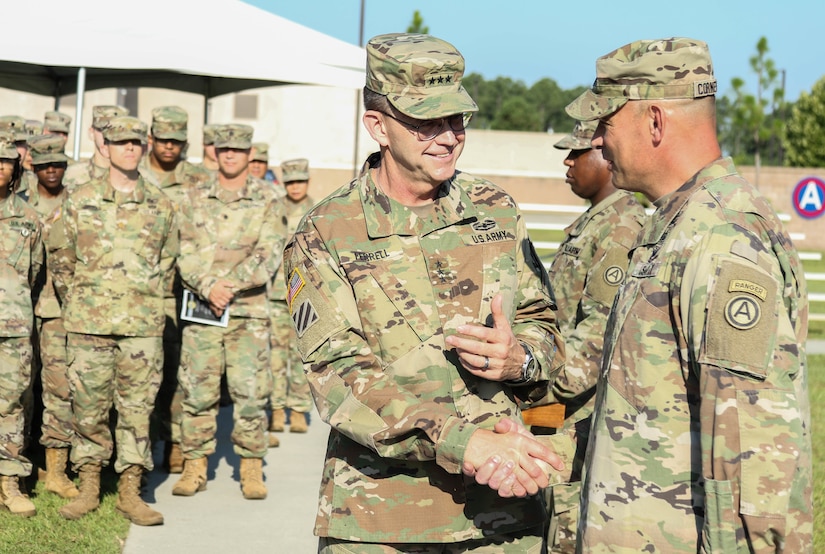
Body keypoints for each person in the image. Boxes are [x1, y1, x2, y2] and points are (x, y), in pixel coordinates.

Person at [283, 32, 566, 552]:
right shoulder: (326, 233)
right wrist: (464, 442)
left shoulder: (496, 212)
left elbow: (543, 324)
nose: (447, 136)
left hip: (501, 516)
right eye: (424, 121)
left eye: (456, 119)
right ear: (378, 127)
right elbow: (340, 376)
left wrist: (520, 359)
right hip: (381, 518)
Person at [565, 37, 812, 552]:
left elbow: (755, 462)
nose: (600, 143)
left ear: (655, 121)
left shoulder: (721, 238)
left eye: (606, 125)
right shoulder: (676, 226)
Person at [49, 116, 177, 526]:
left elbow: (168, 262)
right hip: (88, 322)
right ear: (105, 146)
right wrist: (80, 302)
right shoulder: (80, 198)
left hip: (141, 327)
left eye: (136, 142)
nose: (129, 148)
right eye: (120, 141)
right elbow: (61, 257)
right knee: (88, 409)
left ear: (144, 146)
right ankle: (88, 487)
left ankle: (129, 492)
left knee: (137, 410)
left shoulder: (160, 204)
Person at [529, 120, 645, 552]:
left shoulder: (620, 229)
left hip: (575, 413)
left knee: (564, 525)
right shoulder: (596, 223)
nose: (567, 161)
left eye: (577, 152)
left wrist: (531, 390)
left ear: (604, 155)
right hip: (556, 411)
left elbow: (595, 341)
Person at [172, 124, 286, 500]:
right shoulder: (193, 197)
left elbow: (269, 252)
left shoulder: (268, 198)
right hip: (203, 310)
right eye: (224, 149)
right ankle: (194, 467)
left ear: (249, 152)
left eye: (238, 150)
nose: (231, 155)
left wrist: (229, 286)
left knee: (251, 393)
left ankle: (251, 468)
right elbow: (183, 250)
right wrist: (208, 286)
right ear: (215, 152)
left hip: (247, 312)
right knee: (197, 391)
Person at [139, 105, 211, 474]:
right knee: (145, 371)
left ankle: (176, 444)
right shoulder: (134, 174)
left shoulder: (199, 179)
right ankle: (142, 445)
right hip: (145, 287)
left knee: (184, 371)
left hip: (189, 289)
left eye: (177, 141)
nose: (170, 147)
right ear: (151, 138)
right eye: (164, 140)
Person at [25, 134, 78, 500]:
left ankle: (57, 470)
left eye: (57, 163)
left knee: (60, 389)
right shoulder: (19, 203)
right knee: (21, 389)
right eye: (45, 164)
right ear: (33, 166)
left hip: (60, 311)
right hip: (20, 311)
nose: (52, 170)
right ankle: (21, 464)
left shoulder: (78, 204)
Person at [0, 133, 44, 517]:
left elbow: (37, 272)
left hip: (12, 327)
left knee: (11, 404)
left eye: (5, 161)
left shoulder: (28, 218)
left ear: (15, 170)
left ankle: (10, 481)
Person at [267, 158, 313, 443]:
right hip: (274, 294)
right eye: (290, 182)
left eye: (300, 181)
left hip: (306, 295)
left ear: (307, 181)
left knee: (300, 355)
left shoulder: (318, 210)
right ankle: (275, 408)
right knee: (273, 355)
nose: (295, 187)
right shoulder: (274, 210)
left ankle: (297, 409)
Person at [62, 105, 129, 189]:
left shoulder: (138, 177)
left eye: (116, 130)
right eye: (103, 129)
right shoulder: (71, 175)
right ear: (91, 133)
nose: (108, 135)